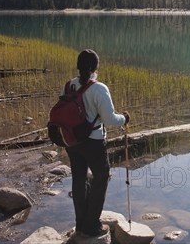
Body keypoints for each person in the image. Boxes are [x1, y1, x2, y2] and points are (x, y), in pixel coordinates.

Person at [65, 49, 129, 238]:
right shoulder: (99, 88)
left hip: (72, 142)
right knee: (101, 177)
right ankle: (91, 225)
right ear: (94, 68)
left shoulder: (69, 85)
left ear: (78, 66)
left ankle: (80, 224)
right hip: (93, 142)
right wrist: (124, 118)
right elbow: (110, 120)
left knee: (79, 179)